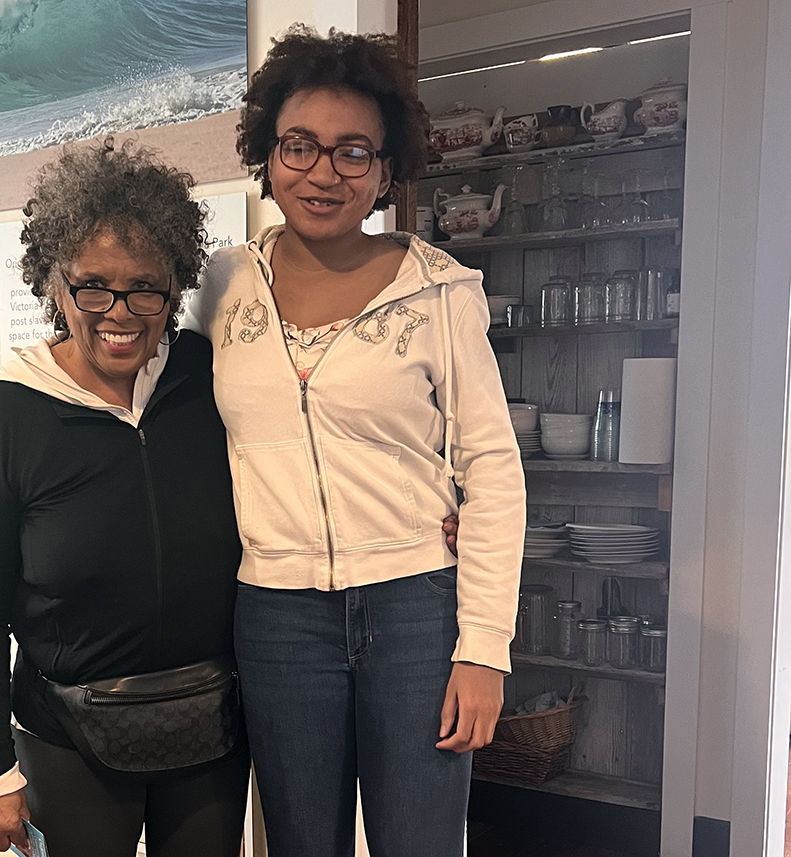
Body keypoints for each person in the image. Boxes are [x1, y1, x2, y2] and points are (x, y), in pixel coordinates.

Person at [184, 26, 526, 857]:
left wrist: (484, 648)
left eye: (352, 152)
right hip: (275, 617)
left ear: (384, 170)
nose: (323, 172)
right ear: (267, 153)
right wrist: (21, 397)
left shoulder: (440, 291)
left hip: (415, 609)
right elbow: (137, 370)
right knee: (301, 843)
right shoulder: (224, 285)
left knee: (421, 841)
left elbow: (493, 468)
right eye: (299, 145)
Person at [0, 140, 250, 857]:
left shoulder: (208, 376)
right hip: (66, 742)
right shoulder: (10, 416)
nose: (121, 311)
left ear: (172, 291)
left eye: (145, 286)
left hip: (209, 730)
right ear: (55, 286)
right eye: (93, 286)